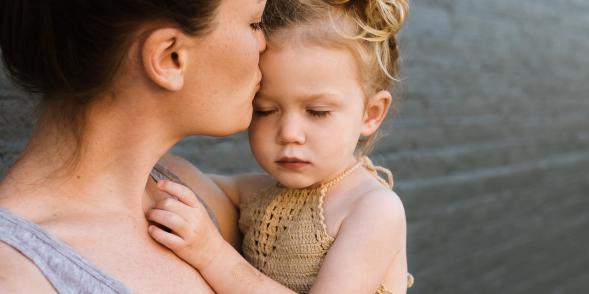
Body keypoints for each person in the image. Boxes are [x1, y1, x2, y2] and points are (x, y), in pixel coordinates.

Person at [146, 0, 414, 293]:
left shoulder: (372, 209)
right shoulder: (259, 193)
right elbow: (184, 179)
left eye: (317, 111)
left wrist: (212, 255)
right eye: (265, 110)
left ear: (371, 113)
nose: (289, 133)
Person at [0, 0, 266, 292]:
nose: (264, 43)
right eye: (254, 24)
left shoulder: (189, 194)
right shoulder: (18, 276)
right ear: (169, 57)